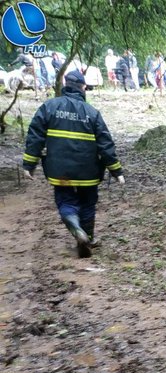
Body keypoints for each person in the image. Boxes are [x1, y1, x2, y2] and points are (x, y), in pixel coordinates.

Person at [21, 70, 124, 258]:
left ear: (64, 85)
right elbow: (105, 144)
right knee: (88, 203)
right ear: (83, 88)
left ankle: (75, 227)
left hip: (61, 172)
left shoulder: (49, 107)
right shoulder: (92, 113)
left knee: (66, 200)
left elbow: (35, 136)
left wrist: (29, 164)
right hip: (88, 172)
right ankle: (88, 239)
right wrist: (116, 171)